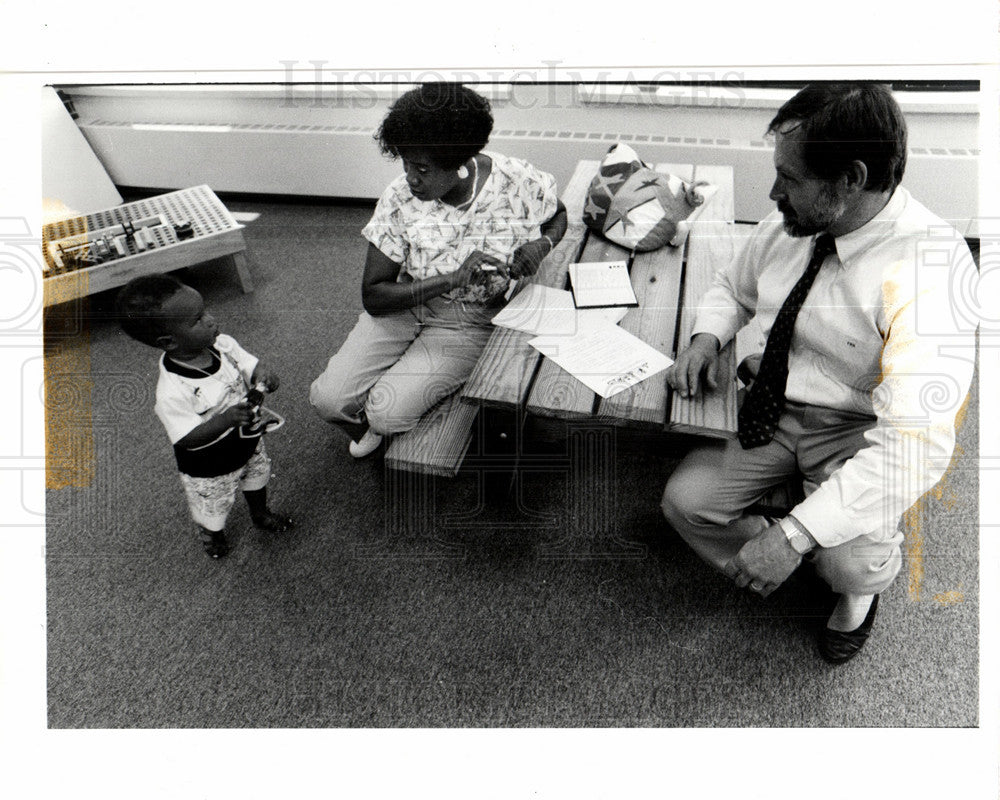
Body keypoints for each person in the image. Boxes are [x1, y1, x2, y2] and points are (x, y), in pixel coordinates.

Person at [660, 83, 975, 663]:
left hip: (859, 429)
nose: (774, 192)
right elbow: (733, 285)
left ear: (850, 179)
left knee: (849, 565)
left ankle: (835, 572)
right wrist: (708, 336)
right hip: (774, 401)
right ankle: (792, 531)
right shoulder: (796, 221)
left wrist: (795, 535)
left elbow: (912, 448)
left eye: (791, 178)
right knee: (685, 503)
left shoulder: (931, 269)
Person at [309, 82, 567, 457]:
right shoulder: (400, 197)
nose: (410, 177)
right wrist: (449, 278)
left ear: (461, 164)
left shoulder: (515, 181)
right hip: (406, 304)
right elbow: (375, 296)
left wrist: (541, 245)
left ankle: (402, 410)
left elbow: (557, 213)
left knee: (385, 412)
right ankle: (410, 404)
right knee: (328, 400)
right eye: (406, 163)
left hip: (469, 321)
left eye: (423, 169)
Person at [115, 274, 293, 559]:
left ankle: (260, 513)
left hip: (247, 440)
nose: (211, 320)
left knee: (257, 477)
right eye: (197, 319)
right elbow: (186, 438)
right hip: (209, 463)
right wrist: (225, 420)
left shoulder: (223, 345)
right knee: (214, 505)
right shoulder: (173, 391)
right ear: (169, 342)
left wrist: (262, 375)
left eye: (205, 310)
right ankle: (213, 534)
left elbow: (249, 365)